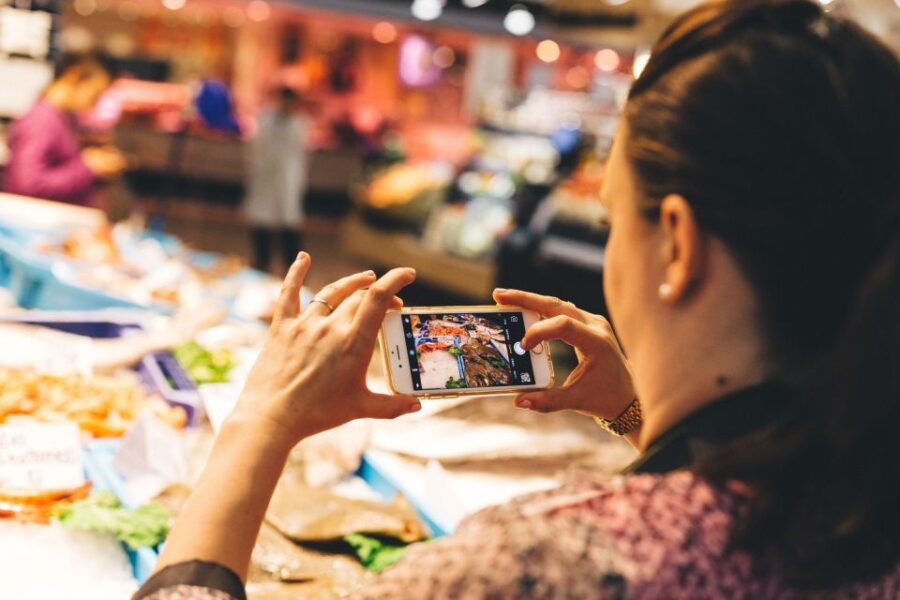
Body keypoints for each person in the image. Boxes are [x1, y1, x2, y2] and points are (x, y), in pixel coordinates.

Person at [135, 0, 900, 597]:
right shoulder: (866, 518)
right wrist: (636, 416)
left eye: (611, 217)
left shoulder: (541, 564)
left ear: (677, 244)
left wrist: (258, 421)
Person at [3, 53, 126, 205]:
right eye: (95, 94)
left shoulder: (63, 118)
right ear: (73, 75)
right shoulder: (42, 120)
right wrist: (88, 166)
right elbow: (26, 184)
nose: (95, 103)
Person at [243, 86, 310, 273]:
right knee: (262, 226)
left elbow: (299, 154)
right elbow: (257, 148)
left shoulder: (300, 124)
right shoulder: (265, 120)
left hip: (288, 181)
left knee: (290, 228)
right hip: (265, 179)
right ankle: (261, 266)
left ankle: (294, 271)